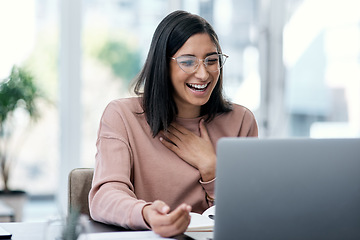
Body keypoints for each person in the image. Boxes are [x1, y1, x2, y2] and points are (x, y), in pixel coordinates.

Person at [88, 10, 258, 238]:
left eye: (212, 60)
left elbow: (250, 210)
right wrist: (147, 213)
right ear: (163, 65)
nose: (203, 73)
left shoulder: (241, 121)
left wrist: (212, 168)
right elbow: (105, 195)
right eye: (188, 62)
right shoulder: (123, 116)